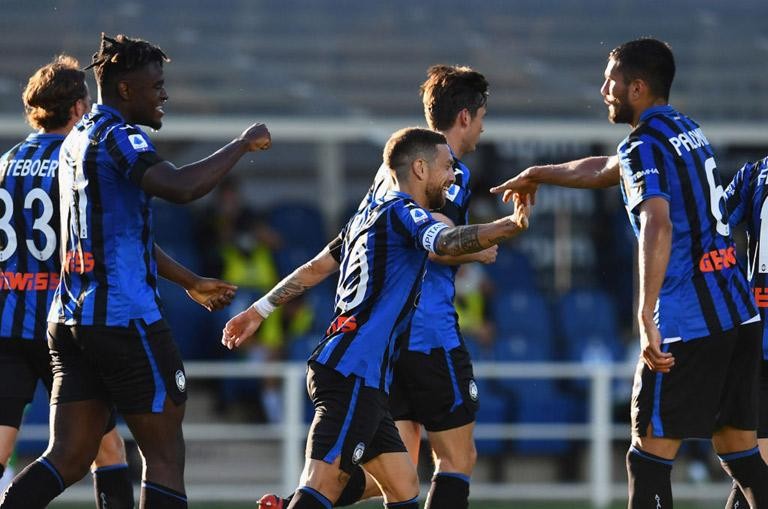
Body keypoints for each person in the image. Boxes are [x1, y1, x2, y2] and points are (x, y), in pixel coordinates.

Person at [490, 37, 768, 508]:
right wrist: (540, 173)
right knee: (741, 455)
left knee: (648, 459)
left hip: (687, 321)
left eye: (611, 81)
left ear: (637, 88)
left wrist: (645, 313)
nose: (604, 90)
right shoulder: (686, 130)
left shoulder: (643, 144)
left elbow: (657, 222)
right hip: (738, 316)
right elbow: (607, 168)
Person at [0, 33, 271, 509]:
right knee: (164, 456)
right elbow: (181, 187)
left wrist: (190, 281)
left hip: (66, 318)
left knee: (69, 455)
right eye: (156, 85)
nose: (164, 94)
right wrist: (241, 145)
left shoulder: (73, 140)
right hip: (123, 318)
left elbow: (115, 234)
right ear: (125, 89)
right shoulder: (117, 136)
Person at [223, 127, 530, 509]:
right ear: (419, 169)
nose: (453, 176)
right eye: (446, 167)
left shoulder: (365, 216)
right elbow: (444, 242)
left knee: (403, 485)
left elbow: (316, 267)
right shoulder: (404, 212)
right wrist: (510, 225)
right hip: (354, 370)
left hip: (354, 369)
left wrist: (260, 309)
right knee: (322, 484)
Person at [255, 64, 496, 509]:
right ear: (466, 116)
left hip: (388, 345)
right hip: (428, 335)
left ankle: (295, 501)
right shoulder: (451, 176)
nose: (482, 128)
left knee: (396, 473)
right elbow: (437, 242)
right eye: (482, 117)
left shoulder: (388, 177)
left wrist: (261, 308)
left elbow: (336, 253)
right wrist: (487, 240)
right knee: (457, 458)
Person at [0, 55, 134, 509]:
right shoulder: (76, 162)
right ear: (78, 108)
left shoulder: (5, 163)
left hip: (6, 324)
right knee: (106, 450)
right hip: (62, 327)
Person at [723, 157, 768, 508]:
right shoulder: (753, 175)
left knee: (755, 476)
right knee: (757, 474)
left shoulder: (755, 174)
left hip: (755, 336)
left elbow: (707, 227)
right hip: (757, 346)